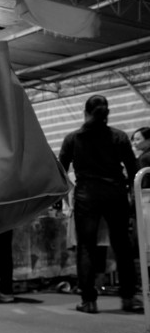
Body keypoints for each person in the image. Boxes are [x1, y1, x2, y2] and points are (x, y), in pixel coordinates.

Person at [59, 95, 142, 313]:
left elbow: (60, 170)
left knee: (86, 247)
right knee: (122, 246)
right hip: (115, 193)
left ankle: (89, 301)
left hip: (86, 195)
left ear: (85, 112)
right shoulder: (120, 137)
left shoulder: (73, 139)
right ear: (107, 113)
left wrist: (68, 192)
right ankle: (128, 298)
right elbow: (134, 170)